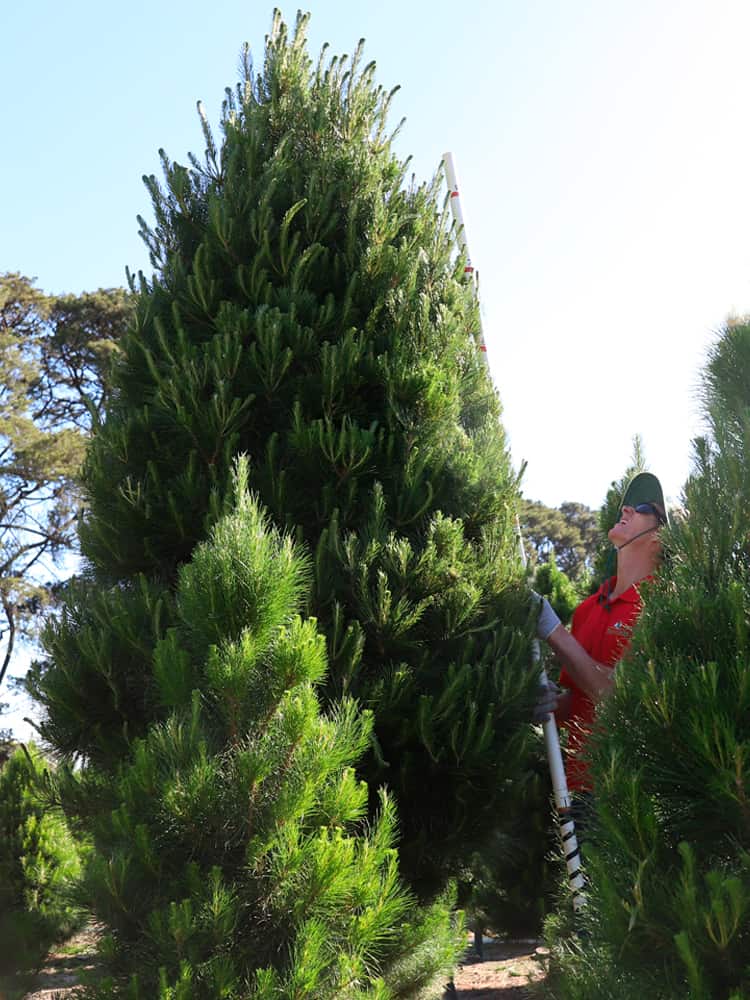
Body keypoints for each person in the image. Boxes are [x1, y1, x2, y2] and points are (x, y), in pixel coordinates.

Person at [533, 472, 667, 804]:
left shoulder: (660, 609)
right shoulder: (587, 610)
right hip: (577, 794)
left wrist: (553, 631)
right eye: (626, 504)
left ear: (659, 536)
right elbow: (580, 701)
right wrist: (548, 705)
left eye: (641, 507)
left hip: (630, 801)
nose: (626, 508)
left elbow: (616, 698)